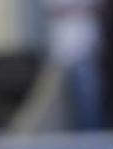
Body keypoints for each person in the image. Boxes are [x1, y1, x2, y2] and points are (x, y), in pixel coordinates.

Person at [43, 0, 105, 129]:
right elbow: (53, 11)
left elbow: (99, 8)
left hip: (89, 49)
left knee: (90, 98)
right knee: (65, 102)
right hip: (63, 51)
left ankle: (93, 133)